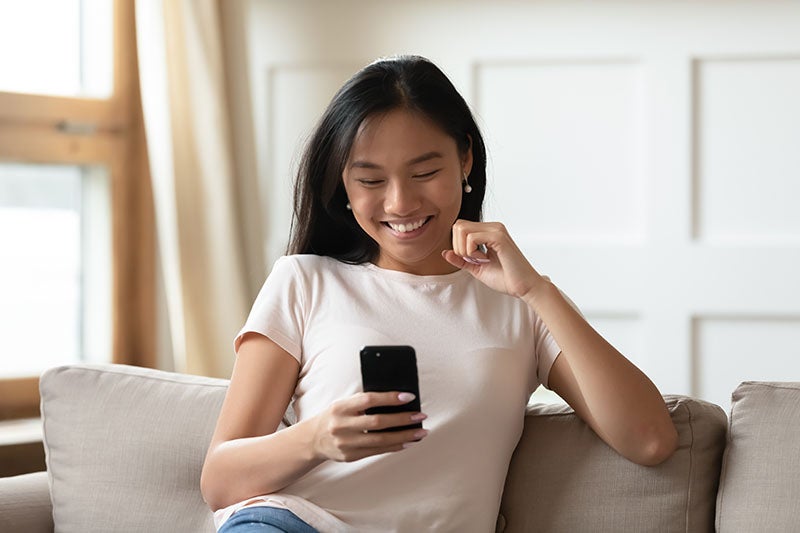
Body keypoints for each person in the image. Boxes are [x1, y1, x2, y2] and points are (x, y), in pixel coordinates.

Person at [200, 55, 678, 533]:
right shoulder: (303, 281)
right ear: (342, 182)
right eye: (370, 180)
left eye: (424, 172)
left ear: (464, 158)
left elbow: (650, 440)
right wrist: (316, 439)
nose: (400, 203)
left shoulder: (521, 306)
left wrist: (536, 290)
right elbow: (220, 480)